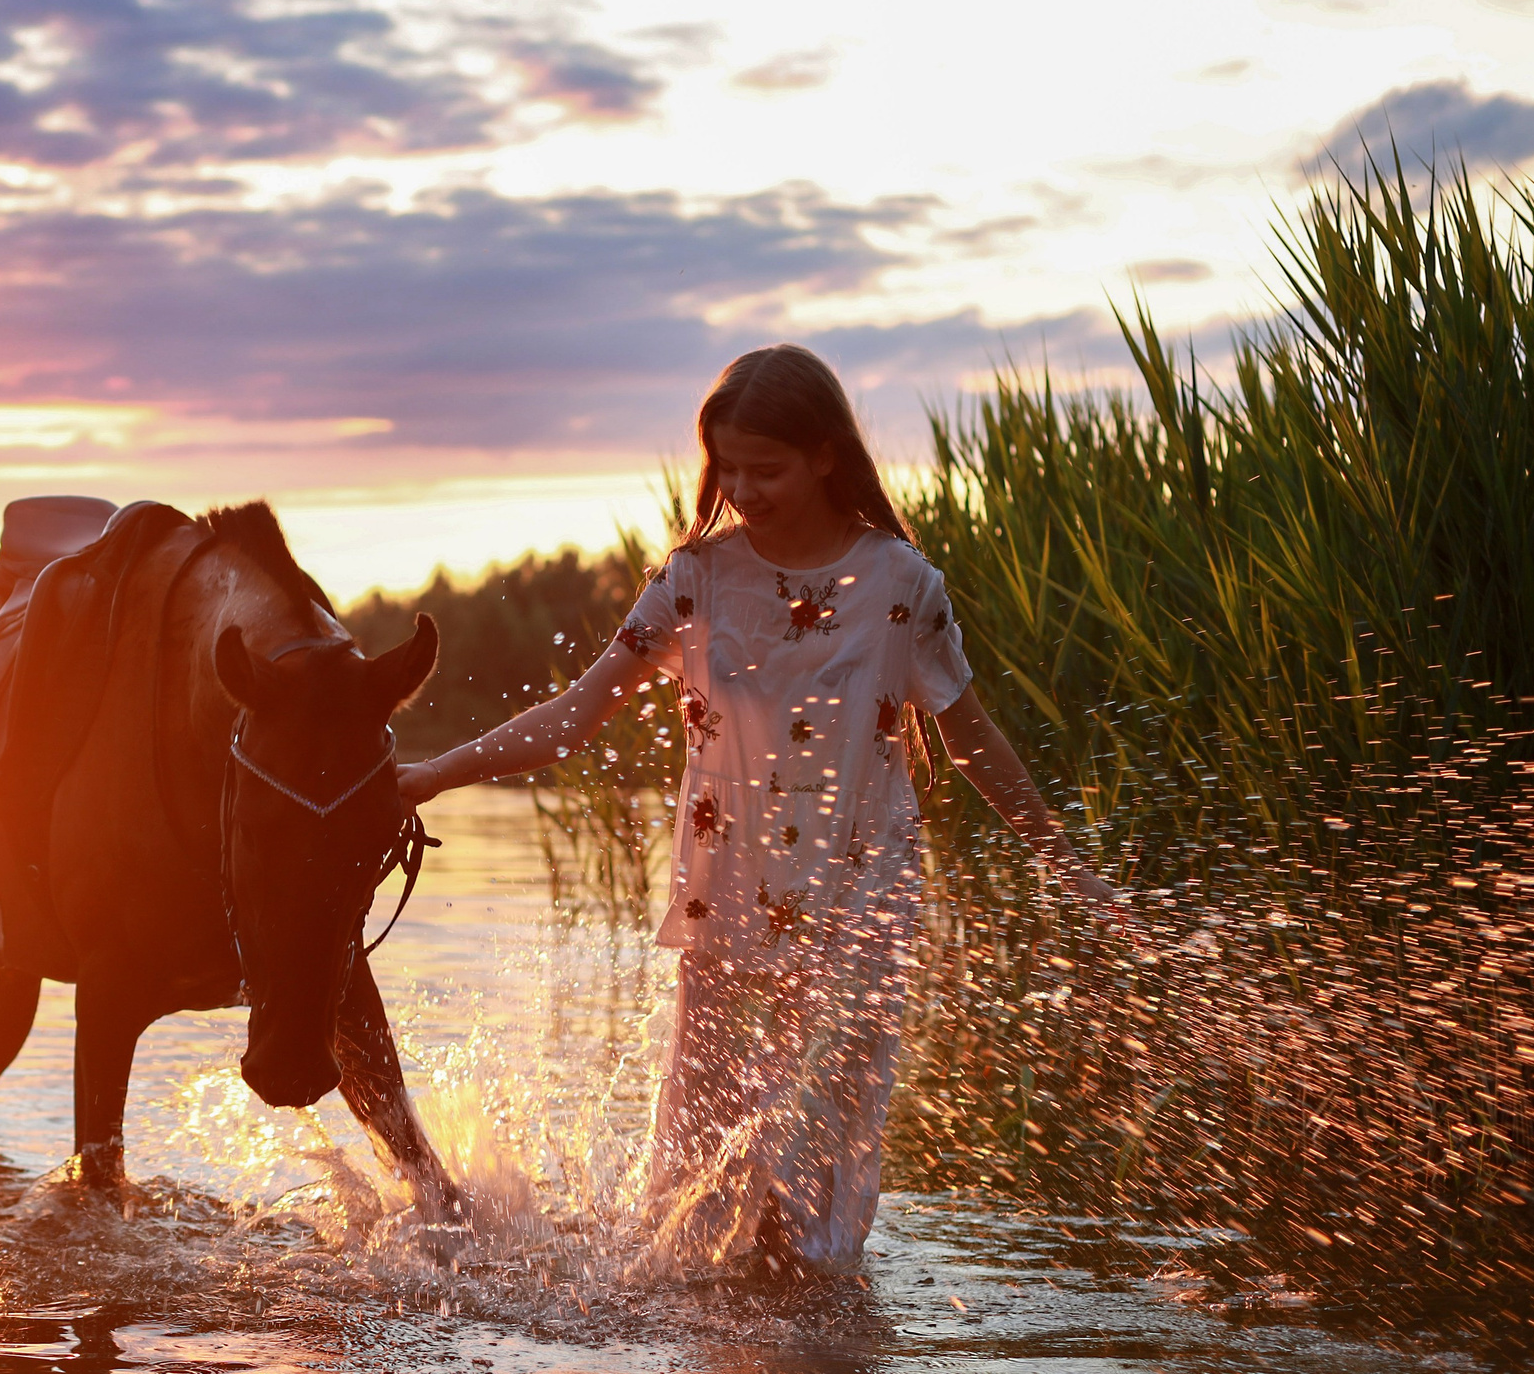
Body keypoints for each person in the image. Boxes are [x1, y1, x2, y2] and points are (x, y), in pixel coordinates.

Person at [395, 344, 1121, 1276]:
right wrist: (428, 773)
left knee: (800, 1190)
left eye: (764, 467)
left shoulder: (901, 587)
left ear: (825, 454)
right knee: (697, 1206)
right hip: (727, 902)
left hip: (858, 909)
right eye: (726, 466)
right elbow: (575, 717)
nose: (741, 487)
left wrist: (1067, 865)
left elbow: (973, 739)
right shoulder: (697, 577)